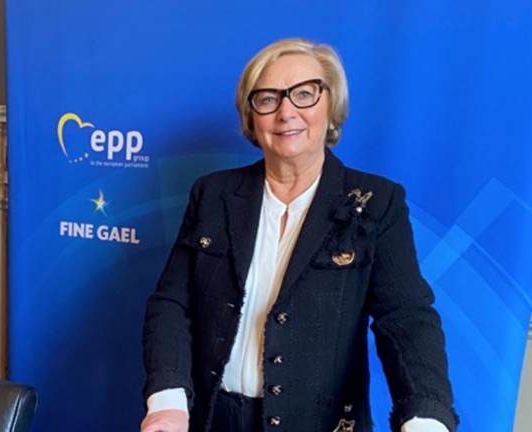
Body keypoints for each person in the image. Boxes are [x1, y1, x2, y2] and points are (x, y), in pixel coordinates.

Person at [141, 38, 459, 432]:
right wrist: (168, 402)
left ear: (331, 106)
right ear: (251, 116)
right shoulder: (212, 194)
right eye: (268, 98)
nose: (286, 112)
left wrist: (425, 419)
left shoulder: (377, 203)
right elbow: (172, 303)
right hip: (211, 419)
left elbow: (406, 318)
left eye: (304, 94)